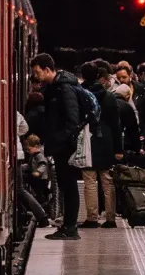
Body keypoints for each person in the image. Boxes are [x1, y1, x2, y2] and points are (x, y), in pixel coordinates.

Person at [30, 53, 84, 241]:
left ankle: (71, 228)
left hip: (65, 147)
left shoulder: (65, 89)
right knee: (65, 186)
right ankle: (68, 226)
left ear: (47, 69)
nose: (35, 76)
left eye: (37, 71)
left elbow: (72, 120)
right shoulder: (55, 88)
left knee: (69, 187)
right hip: (61, 146)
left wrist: (58, 140)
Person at [76, 63, 123, 228]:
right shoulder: (109, 96)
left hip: (87, 140)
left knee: (89, 180)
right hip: (106, 140)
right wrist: (118, 148)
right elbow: (115, 124)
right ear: (98, 75)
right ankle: (111, 218)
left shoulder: (79, 94)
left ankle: (92, 218)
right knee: (107, 180)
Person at [116, 64, 145, 139]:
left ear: (130, 76)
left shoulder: (141, 90)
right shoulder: (115, 93)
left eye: (124, 77)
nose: (121, 80)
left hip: (140, 133)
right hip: (124, 135)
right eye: (119, 78)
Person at [112, 83, 141, 155]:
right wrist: (137, 148)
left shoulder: (108, 101)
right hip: (118, 141)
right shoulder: (126, 106)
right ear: (127, 96)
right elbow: (132, 129)